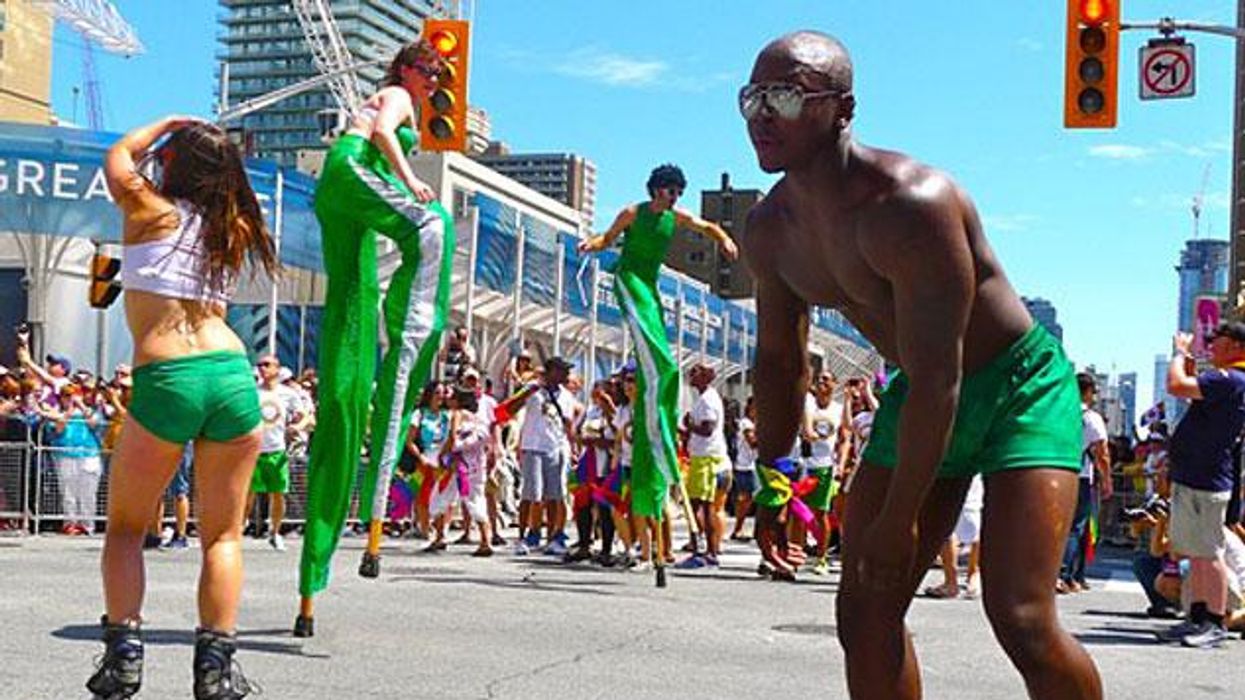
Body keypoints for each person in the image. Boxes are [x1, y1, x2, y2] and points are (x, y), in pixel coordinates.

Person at [740, 32, 1100, 699]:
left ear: (842, 109)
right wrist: (772, 475)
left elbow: (944, 375)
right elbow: (777, 355)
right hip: (922, 388)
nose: (763, 113)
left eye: (786, 95)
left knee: (1020, 618)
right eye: (753, 96)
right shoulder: (768, 229)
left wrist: (899, 518)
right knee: (864, 610)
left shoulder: (911, 204)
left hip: (1015, 385)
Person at [90, 116, 276, 699]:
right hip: (230, 374)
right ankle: (216, 668)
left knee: (125, 528)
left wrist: (166, 126)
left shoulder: (147, 210)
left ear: (171, 162)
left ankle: (123, 655)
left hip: (169, 374)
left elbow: (119, 151)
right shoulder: (233, 226)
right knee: (222, 536)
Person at [296, 37, 455, 637]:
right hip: (350, 172)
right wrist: (413, 182)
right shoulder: (395, 96)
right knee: (432, 226)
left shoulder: (397, 96)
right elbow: (385, 135)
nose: (434, 80)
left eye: (438, 74)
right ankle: (408, 340)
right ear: (408, 69)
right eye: (429, 70)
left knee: (347, 311)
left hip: (342, 196)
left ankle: (312, 578)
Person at [578, 164, 737, 583]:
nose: (674, 197)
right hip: (629, 280)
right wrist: (591, 245)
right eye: (669, 191)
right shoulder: (633, 212)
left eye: (678, 192)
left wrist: (725, 240)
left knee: (664, 366)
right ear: (655, 190)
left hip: (651, 284)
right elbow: (607, 240)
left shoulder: (676, 217)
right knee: (657, 354)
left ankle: (657, 412)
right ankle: (652, 382)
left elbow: (706, 225)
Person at [1155, 323, 1245, 648]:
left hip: (1206, 480)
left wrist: (1180, 353)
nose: (1210, 345)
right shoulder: (1228, 381)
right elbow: (1192, 389)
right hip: (1197, 476)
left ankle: (1215, 621)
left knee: (1210, 553)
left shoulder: (1231, 378)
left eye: (1215, 340)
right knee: (1196, 552)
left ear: (1235, 345)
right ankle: (1197, 616)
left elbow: (1177, 385)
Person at [506, 356, 577, 556]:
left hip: (556, 447)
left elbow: (568, 424)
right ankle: (524, 537)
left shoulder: (566, 396)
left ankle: (552, 538)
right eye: (562, 370)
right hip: (533, 447)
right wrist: (528, 392)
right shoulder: (532, 389)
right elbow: (510, 409)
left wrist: (573, 448)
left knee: (555, 495)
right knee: (532, 494)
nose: (566, 374)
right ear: (551, 371)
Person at [245, 354, 306, 552]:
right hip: (253, 450)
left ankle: (275, 532)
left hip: (276, 450)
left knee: (278, 493)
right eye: (260, 365)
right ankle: (239, 527)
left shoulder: (288, 394)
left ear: (277, 369)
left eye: (267, 365)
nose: (262, 368)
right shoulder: (252, 393)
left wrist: (298, 427)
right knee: (247, 493)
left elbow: (307, 417)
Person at [1058, 373, 1112, 593]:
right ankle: (1063, 573)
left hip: (1058, 472)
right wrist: (1107, 479)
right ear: (1088, 391)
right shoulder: (1091, 417)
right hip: (1080, 476)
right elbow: (1102, 452)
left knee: (1066, 526)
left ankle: (1075, 576)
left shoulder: (1060, 411)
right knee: (1077, 526)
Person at [677, 364, 730, 568]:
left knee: (705, 507)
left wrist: (690, 426)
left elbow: (708, 429)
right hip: (701, 456)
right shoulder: (701, 398)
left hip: (709, 459)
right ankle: (699, 546)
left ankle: (709, 551)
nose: (691, 375)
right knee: (695, 504)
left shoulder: (708, 400)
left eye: (696, 372)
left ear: (706, 377)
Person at [730, 397, 759, 542]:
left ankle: (752, 529)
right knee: (745, 499)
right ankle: (738, 529)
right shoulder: (746, 423)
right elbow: (753, 442)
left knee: (751, 498)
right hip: (746, 465)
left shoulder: (754, 423)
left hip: (753, 465)